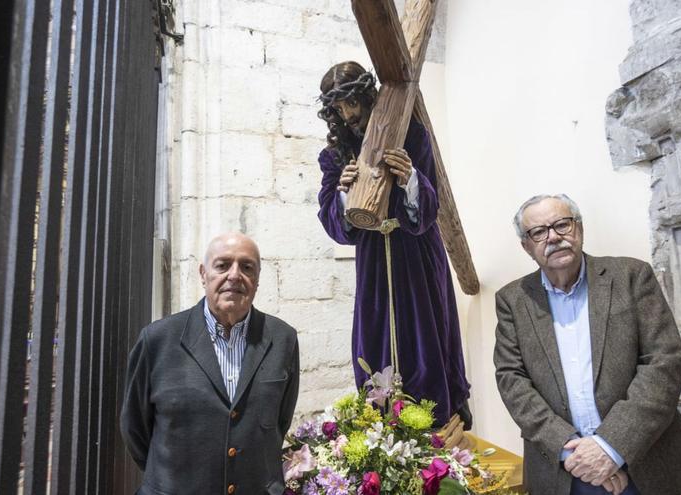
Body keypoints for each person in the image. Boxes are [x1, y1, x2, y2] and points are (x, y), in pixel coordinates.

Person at [494, 194, 681, 495]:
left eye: (562, 224)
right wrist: (571, 451)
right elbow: (512, 380)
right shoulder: (513, 300)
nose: (554, 237)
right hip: (566, 471)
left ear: (579, 228)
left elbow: (664, 361)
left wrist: (609, 447)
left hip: (648, 459)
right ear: (526, 246)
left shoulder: (631, 276)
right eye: (539, 232)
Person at [316, 61, 471, 428]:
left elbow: (428, 207)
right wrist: (343, 192)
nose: (348, 113)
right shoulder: (335, 157)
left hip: (416, 253)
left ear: (367, 95)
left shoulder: (411, 135)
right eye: (339, 108)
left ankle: (435, 421)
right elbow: (334, 224)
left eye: (352, 102)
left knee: (426, 334)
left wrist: (410, 178)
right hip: (372, 260)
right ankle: (383, 429)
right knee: (375, 338)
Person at [121, 232, 299, 494]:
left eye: (247, 267)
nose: (235, 275)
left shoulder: (283, 339)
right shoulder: (157, 340)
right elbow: (135, 429)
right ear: (204, 273)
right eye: (223, 265)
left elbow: (281, 420)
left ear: (257, 279)